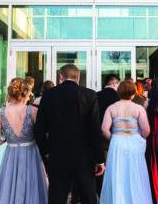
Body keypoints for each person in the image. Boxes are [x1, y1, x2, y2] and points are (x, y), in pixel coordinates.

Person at [34, 64, 105, 204]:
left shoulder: (48, 95)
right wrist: (99, 159)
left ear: (61, 76)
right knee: (89, 199)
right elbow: (94, 128)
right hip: (84, 158)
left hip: (58, 157)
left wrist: (46, 151)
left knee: (56, 199)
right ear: (78, 77)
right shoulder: (89, 94)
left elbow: (39, 129)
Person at [0, 78, 48, 204]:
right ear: (26, 93)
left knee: (9, 186)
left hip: (11, 154)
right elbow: (40, 134)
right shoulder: (33, 110)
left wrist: (9, 139)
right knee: (30, 187)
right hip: (30, 153)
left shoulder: (1, 112)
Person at [100, 81, 152, 204]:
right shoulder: (138, 108)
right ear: (133, 93)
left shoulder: (112, 108)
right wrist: (139, 138)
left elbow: (104, 129)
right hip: (135, 142)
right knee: (135, 173)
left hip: (117, 142)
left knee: (118, 173)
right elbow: (146, 131)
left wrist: (112, 138)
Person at [96, 74, 120, 197]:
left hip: (99, 137)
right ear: (115, 84)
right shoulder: (119, 97)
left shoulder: (96, 95)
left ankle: (101, 193)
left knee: (100, 168)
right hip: (116, 136)